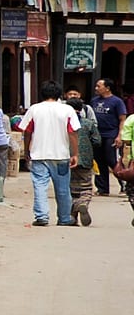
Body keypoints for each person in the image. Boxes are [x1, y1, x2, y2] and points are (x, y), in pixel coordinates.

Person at [16, 83, 79, 228]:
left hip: (39, 154)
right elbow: (73, 133)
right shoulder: (67, 109)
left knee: (40, 186)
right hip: (61, 154)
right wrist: (75, 153)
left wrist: (27, 151)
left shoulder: (34, 109)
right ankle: (64, 217)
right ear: (60, 94)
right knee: (63, 188)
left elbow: (27, 131)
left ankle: (42, 216)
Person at [65, 90, 99, 227]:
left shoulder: (64, 123)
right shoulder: (88, 123)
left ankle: (72, 216)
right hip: (85, 159)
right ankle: (83, 203)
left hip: (67, 157)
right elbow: (97, 141)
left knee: (70, 188)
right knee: (86, 186)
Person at [91, 79, 127, 196]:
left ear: (107, 88)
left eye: (99, 86)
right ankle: (102, 188)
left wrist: (119, 135)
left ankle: (124, 183)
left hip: (111, 134)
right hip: (97, 134)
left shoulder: (117, 101)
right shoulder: (94, 101)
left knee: (111, 160)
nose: (96, 88)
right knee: (99, 161)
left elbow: (122, 119)